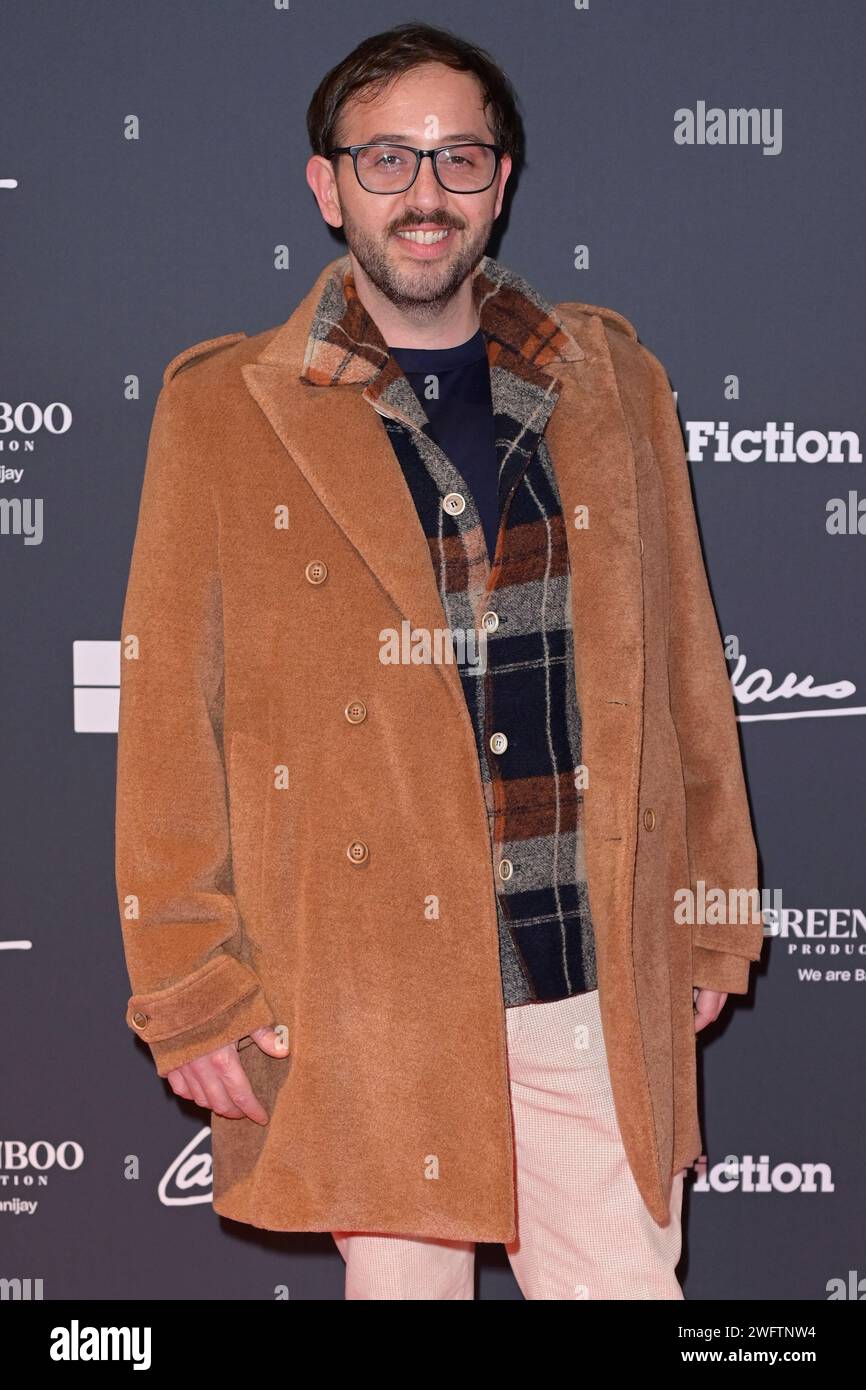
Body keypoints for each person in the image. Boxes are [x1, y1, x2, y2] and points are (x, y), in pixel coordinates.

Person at [115, 22, 764, 1300]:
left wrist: (710, 919)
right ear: (327, 185)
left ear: (501, 179)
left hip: (584, 983)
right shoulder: (223, 410)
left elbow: (687, 671)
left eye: (457, 158)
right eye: (387, 160)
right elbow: (166, 723)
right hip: (369, 993)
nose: (424, 193)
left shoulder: (611, 384)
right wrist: (189, 986)